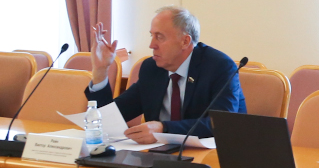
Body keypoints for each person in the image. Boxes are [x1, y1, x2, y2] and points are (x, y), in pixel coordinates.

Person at [86, 7, 244, 142]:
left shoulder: (219, 67)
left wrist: (164, 129)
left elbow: (221, 124)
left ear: (185, 41)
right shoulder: (152, 68)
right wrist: (100, 70)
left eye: (159, 37)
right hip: (160, 156)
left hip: (211, 156)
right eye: (152, 36)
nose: (151, 45)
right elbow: (109, 119)